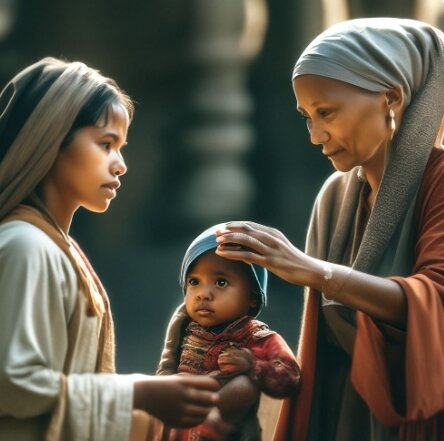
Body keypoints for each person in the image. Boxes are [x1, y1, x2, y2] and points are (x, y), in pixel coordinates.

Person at [212, 18, 444, 441]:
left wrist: (312, 270)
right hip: (344, 417)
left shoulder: (440, 185)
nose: (316, 135)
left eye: (326, 113)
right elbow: (324, 351)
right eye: (306, 116)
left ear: (390, 98)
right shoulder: (335, 198)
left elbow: (436, 301)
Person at [0, 57, 220, 441]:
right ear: (51, 139)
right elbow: (13, 385)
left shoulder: (55, 246)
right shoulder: (25, 245)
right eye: (106, 144)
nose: (120, 165)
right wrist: (138, 393)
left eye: (120, 147)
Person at [156, 224, 301, 440]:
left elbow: (289, 376)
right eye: (194, 282)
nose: (203, 294)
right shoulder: (183, 324)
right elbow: (167, 366)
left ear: (252, 297)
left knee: (245, 386)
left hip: (226, 430)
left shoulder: (257, 336)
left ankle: (209, 419)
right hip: (181, 413)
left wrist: (253, 365)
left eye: (221, 282)